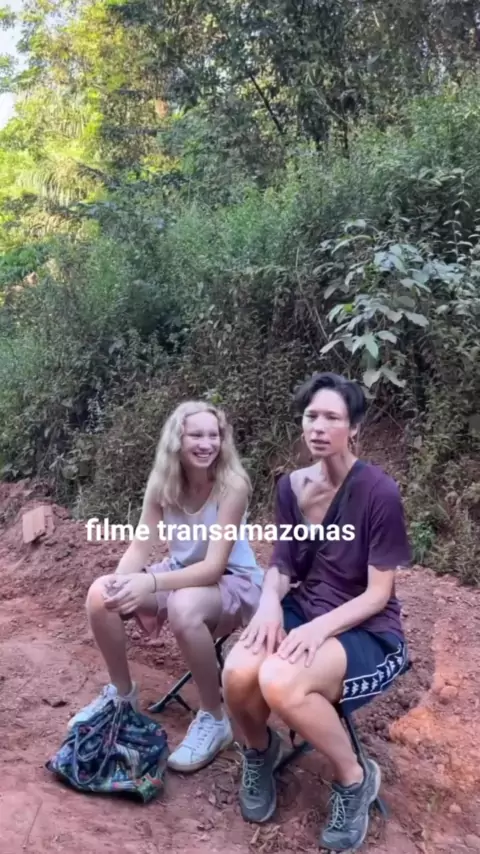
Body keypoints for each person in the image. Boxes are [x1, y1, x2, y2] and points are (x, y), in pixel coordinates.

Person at [222, 372, 411, 851]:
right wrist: (269, 604)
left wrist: (317, 630)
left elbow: (378, 594)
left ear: (355, 428)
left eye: (332, 417)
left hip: (365, 628)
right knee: (238, 672)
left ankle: (354, 777)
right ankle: (261, 751)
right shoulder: (291, 487)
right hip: (304, 607)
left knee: (279, 679)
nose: (319, 427)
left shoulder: (379, 493)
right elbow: (283, 563)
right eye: (311, 416)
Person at [68, 400, 264, 773]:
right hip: (180, 573)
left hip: (234, 581)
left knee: (183, 607)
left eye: (214, 435)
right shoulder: (163, 483)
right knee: (100, 594)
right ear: (178, 440)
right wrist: (120, 584)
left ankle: (214, 718)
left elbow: (213, 567)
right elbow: (141, 545)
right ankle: (122, 696)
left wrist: (151, 582)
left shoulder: (232, 485)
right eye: (196, 435)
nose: (206, 444)